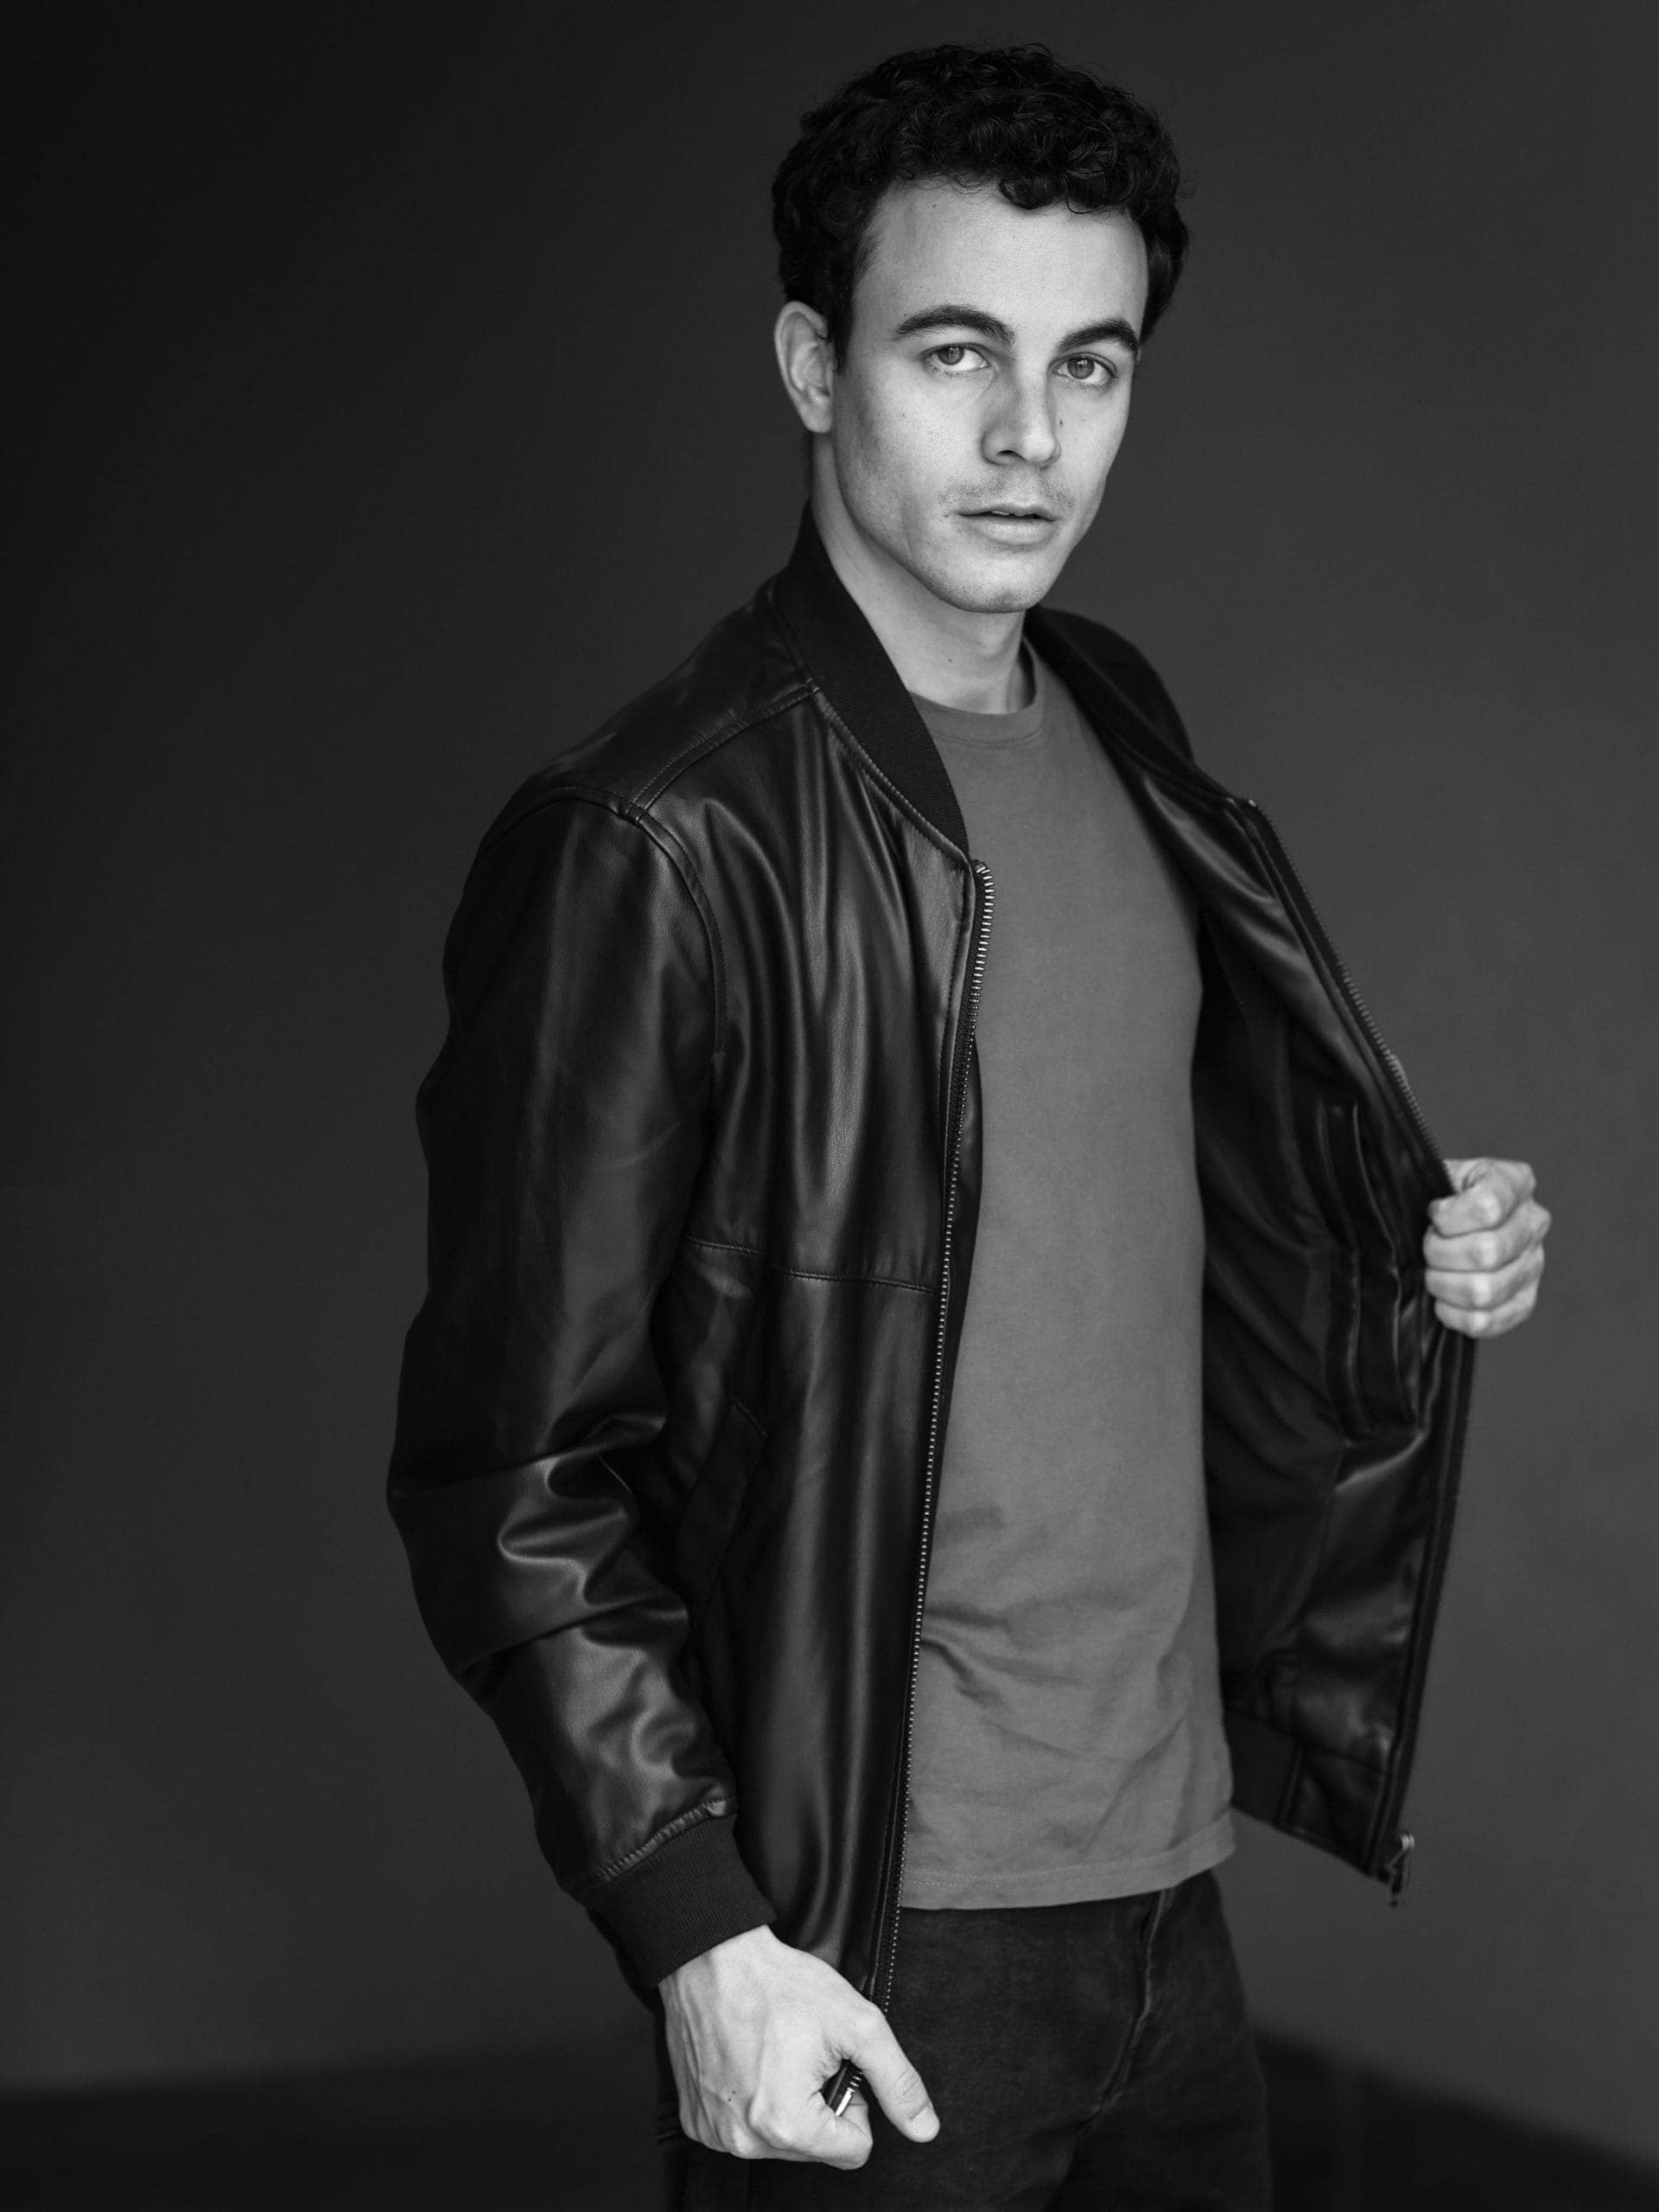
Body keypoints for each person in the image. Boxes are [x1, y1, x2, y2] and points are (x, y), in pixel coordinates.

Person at [387, 42, 1550, 2211]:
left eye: (1089, 364)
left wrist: (1410, 1241)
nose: (1032, 436)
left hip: (1170, 1897)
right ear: (811, 365)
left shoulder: (1124, 717)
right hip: (874, 1934)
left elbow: (1127, 1195)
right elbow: (507, 1467)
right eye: (957, 352)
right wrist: (695, 1928)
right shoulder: (656, 836)